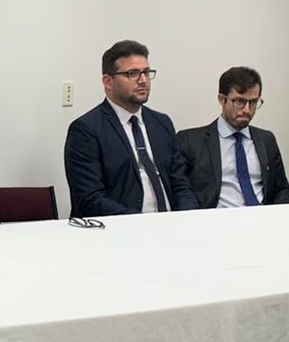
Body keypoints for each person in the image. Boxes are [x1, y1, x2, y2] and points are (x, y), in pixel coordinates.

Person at [64, 39, 197, 217]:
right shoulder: (86, 130)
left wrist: (189, 218)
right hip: (119, 227)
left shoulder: (161, 123)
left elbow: (181, 184)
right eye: (132, 74)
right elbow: (90, 199)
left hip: (170, 224)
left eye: (146, 72)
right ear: (108, 82)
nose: (143, 80)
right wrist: (140, 222)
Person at [175, 66, 289, 208]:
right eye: (240, 101)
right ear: (222, 99)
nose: (247, 110)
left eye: (253, 102)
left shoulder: (266, 140)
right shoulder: (190, 142)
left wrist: (277, 216)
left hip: (262, 217)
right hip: (217, 217)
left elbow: (281, 189)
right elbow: (180, 190)